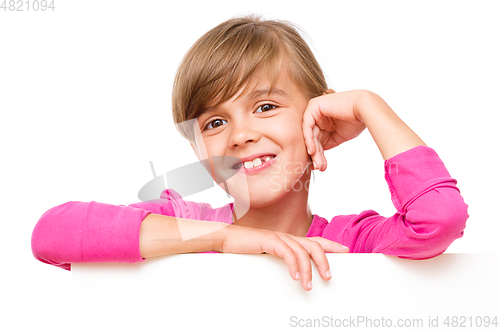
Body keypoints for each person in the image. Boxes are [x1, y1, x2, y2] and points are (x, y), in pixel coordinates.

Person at [31, 15, 469, 291]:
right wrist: (227, 239)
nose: (240, 135)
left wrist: (369, 107)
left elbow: (439, 218)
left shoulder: (348, 244)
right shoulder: (185, 224)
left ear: (319, 116)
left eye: (265, 107)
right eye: (215, 123)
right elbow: (52, 235)